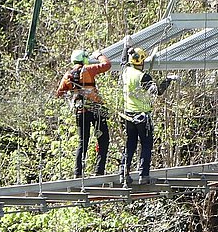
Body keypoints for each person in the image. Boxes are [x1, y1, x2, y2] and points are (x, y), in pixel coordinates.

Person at [119, 46, 174, 186]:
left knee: (130, 143)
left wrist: (126, 47)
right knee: (146, 144)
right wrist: (168, 80)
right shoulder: (143, 77)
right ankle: (143, 174)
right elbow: (157, 91)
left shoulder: (126, 72)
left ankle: (123, 172)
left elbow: (123, 61)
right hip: (142, 116)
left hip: (129, 115)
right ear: (142, 61)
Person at [55, 48, 112, 177]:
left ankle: (78, 173)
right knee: (103, 140)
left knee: (82, 142)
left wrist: (72, 91)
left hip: (81, 111)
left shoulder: (68, 75)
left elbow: (59, 93)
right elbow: (106, 65)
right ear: (84, 59)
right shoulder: (88, 70)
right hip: (96, 110)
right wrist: (99, 55)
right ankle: (99, 171)